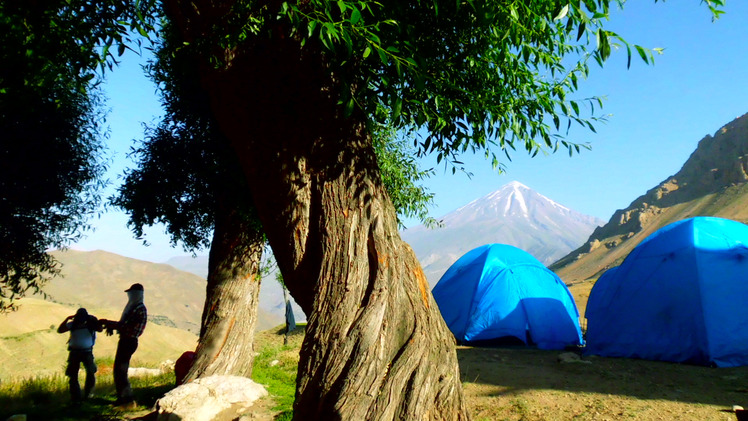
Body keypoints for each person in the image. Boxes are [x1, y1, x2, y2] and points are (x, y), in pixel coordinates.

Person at [101, 283, 148, 406]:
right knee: (120, 370)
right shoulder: (135, 307)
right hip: (127, 340)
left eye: (131, 293)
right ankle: (124, 397)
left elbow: (126, 326)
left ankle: (126, 399)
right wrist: (111, 325)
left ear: (136, 294)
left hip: (128, 341)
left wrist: (109, 323)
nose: (129, 295)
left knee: (120, 370)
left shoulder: (138, 308)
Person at [57, 307, 103, 405]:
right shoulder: (79, 324)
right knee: (81, 374)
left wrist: (68, 319)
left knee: (77, 375)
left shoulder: (78, 324)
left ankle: (80, 397)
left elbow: (60, 330)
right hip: (83, 352)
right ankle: (83, 396)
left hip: (76, 352)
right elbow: (60, 330)